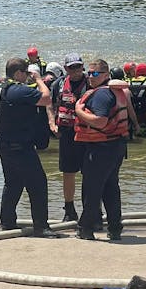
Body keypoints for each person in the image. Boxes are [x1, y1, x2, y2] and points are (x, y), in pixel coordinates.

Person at [0, 57, 58, 237]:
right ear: (18, 73)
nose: (26, 77)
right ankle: (41, 227)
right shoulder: (16, 91)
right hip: (20, 146)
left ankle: (7, 222)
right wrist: (38, 79)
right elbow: (46, 98)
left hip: (4, 144)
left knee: (13, 184)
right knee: (38, 184)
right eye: (25, 73)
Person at [73, 59, 129, 241]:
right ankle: (115, 228)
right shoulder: (114, 92)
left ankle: (86, 229)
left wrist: (78, 110)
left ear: (106, 75)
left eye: (95, 73)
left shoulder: (101, 95)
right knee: (111, 188)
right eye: (88, 73)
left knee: (93, 190)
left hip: (101, 149)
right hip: (115, 147)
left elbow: (100, 121)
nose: (90, 77)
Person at [49, 53, 88, 222]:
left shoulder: (91, 83)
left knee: (90, 173)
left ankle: (91, 209)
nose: (76, 70)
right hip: (66, 133)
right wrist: (52, 124)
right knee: (68, 172)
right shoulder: (58, 85)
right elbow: (49, 105)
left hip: (88, 133)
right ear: (65, 69)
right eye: (72, 67)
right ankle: (69, 209)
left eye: (78, 66)